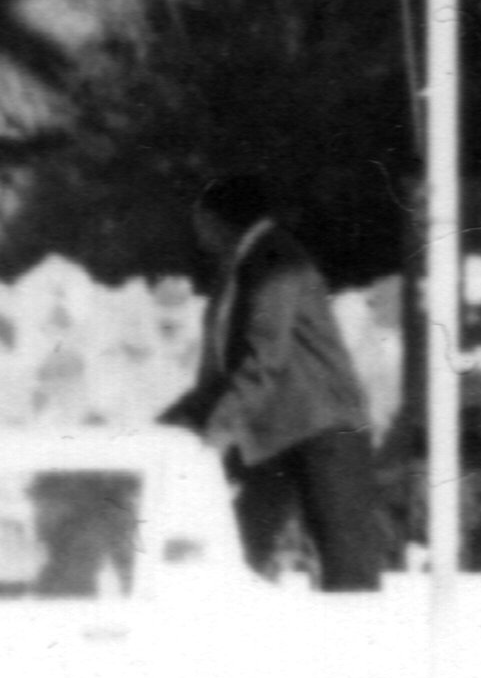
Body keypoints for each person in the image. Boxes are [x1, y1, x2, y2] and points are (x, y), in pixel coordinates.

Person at [159, 172, 388, 593]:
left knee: (347, 566)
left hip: (323, 429)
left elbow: (265, 359)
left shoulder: (277, 260)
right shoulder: (241, 266)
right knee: (237, 551)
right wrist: (172, 423)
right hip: (274, 433)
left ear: (217, 220)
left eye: (200, 223)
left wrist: (218, 428)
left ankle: (357, 633)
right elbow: (225, 371)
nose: (197, 236)